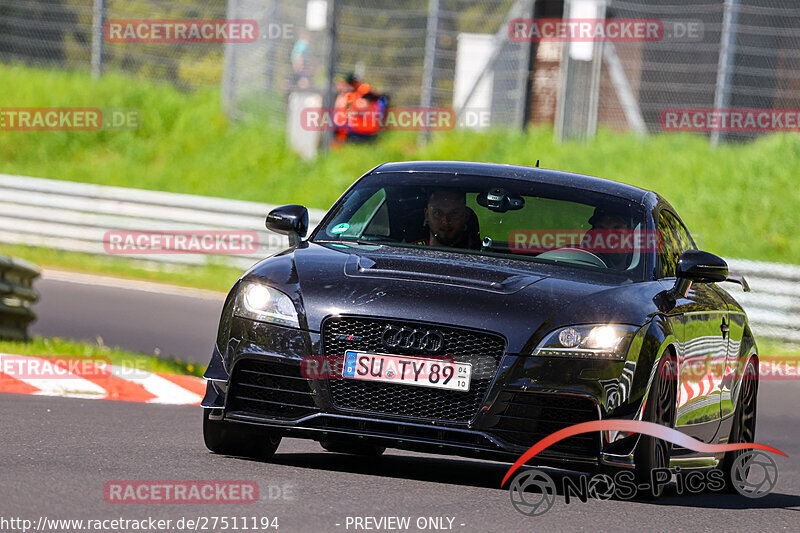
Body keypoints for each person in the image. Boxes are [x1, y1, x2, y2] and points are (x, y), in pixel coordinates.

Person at [413, 189, 479, 249]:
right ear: (427, 215)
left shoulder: (482, 255)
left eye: (454, 213)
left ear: (466, 215)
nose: (445, 221)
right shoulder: (410, 252)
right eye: (438, 213)